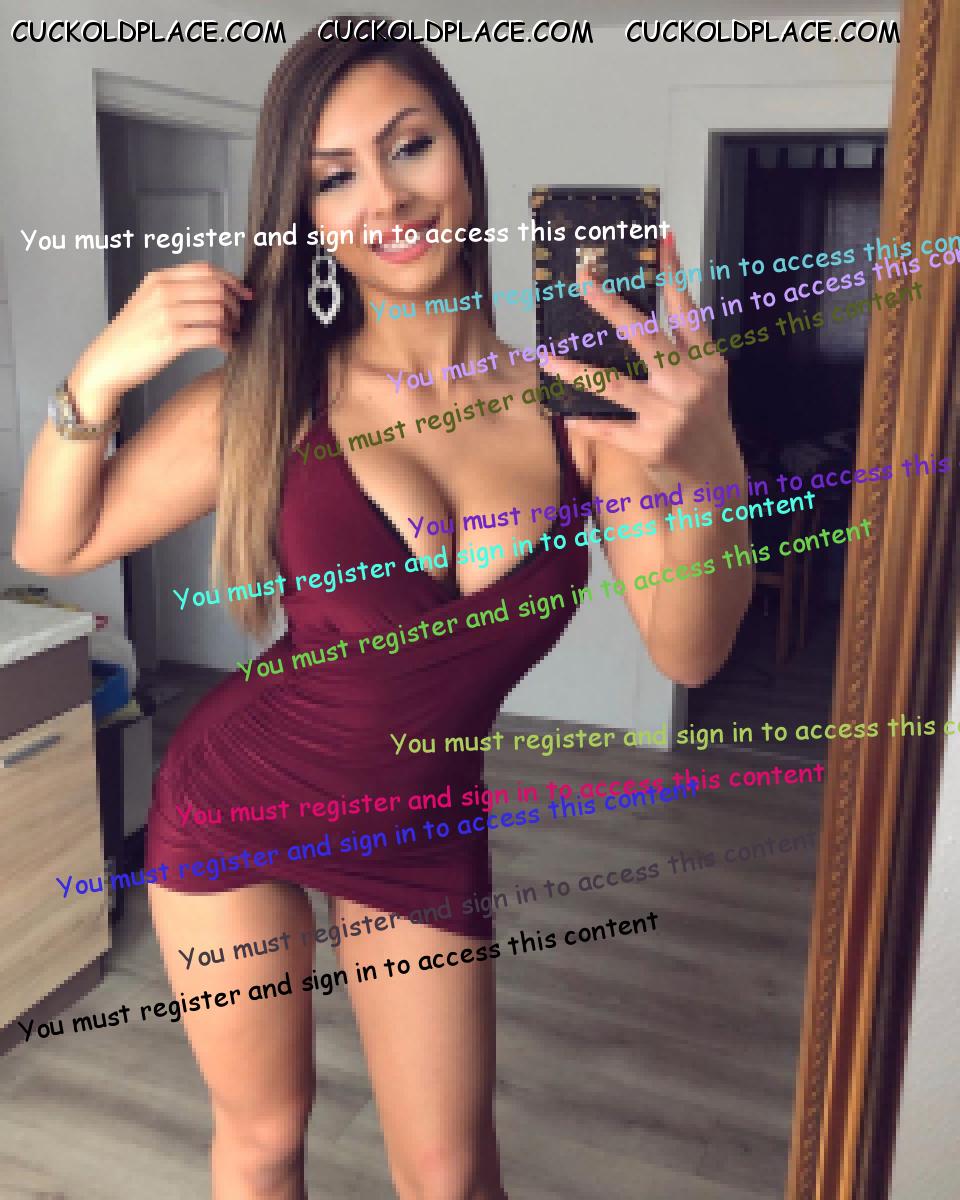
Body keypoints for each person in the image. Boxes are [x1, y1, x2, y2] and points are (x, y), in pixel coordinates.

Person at [13, 24, 751, 1200]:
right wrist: (97, 375)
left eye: (410, 147)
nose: (387, 197)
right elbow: (51, 545)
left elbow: (690, 648)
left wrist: (712, 469)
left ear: (464, 155)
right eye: (335, 176)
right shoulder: (272, 395)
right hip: (235, 801)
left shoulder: (582, 406)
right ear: (307, 216)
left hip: (417, 822)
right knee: (264, 1143)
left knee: (451, 1176)